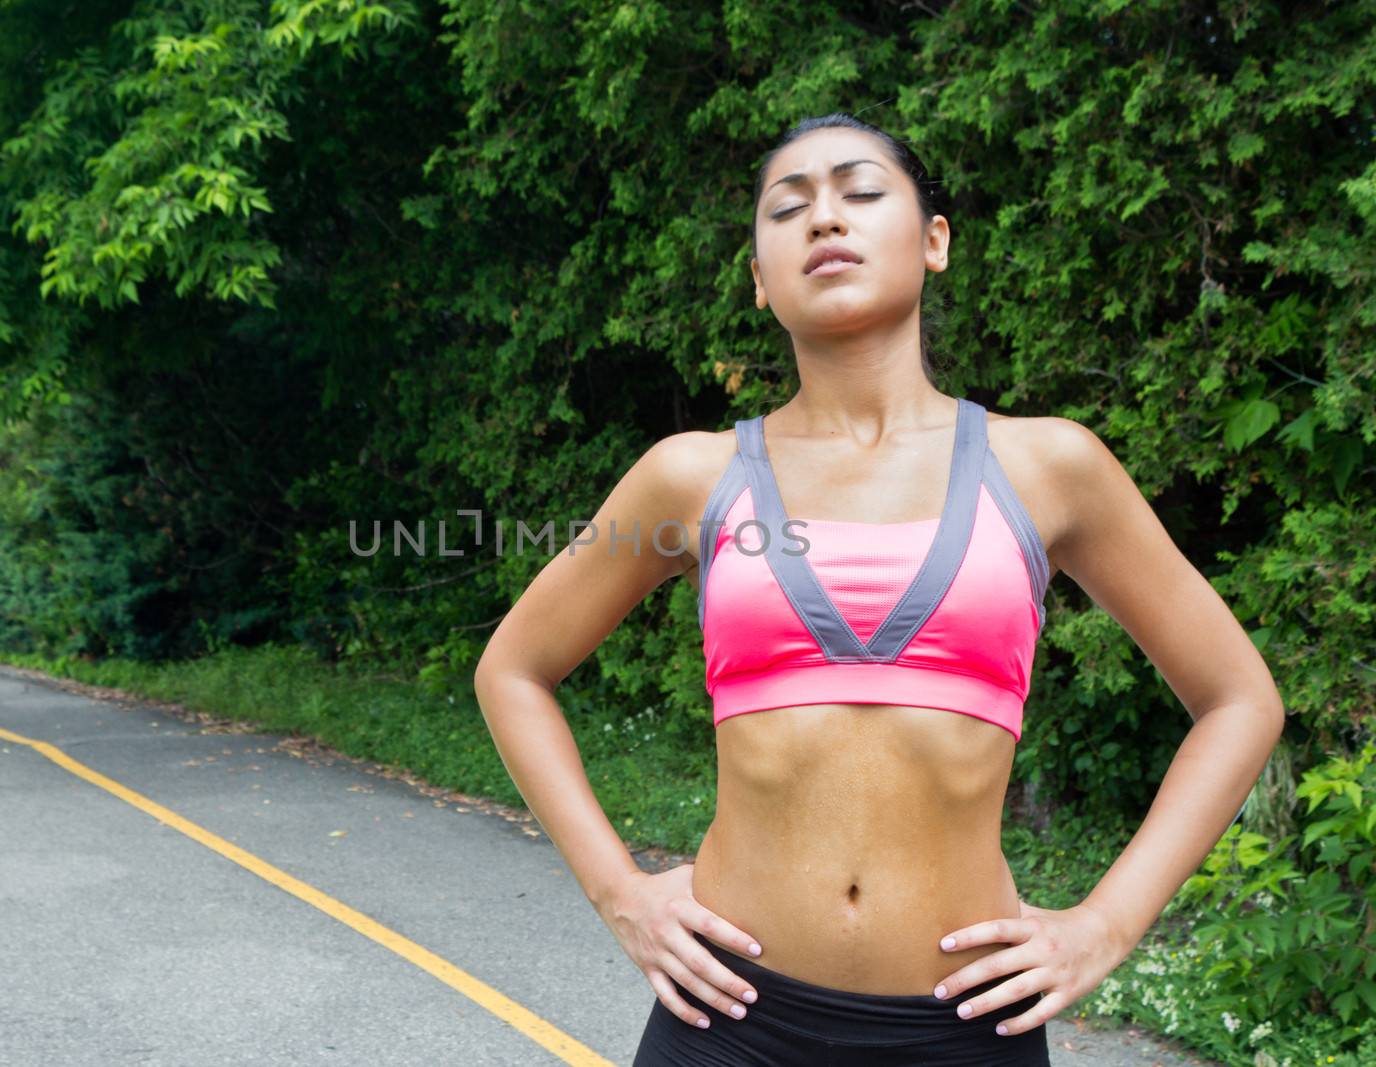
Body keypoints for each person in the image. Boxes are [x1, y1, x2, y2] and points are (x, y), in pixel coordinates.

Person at [473, 113, 1284, 1066]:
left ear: (935, 240)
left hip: (965, 1030)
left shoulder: (1048, 467)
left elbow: (1239, 700)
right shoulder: (691, 478)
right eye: (789, 208)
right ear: (760, 278)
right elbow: (514, 669)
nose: (825, 219)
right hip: (728, 1025)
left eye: (860, 193)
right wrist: (621, 891)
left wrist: (1104, 925)